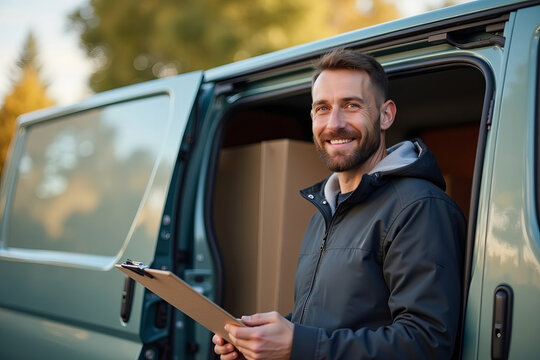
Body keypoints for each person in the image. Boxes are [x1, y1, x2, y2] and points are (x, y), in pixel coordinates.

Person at [213, 49, 466, 359]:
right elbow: (328, 325)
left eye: (351, 105)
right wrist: (262, 342)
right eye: (322, 108)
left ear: (385, 115)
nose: (334, 123)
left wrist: (297, 345)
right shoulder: (325, 210)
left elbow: (426, 344)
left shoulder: (418, 207)